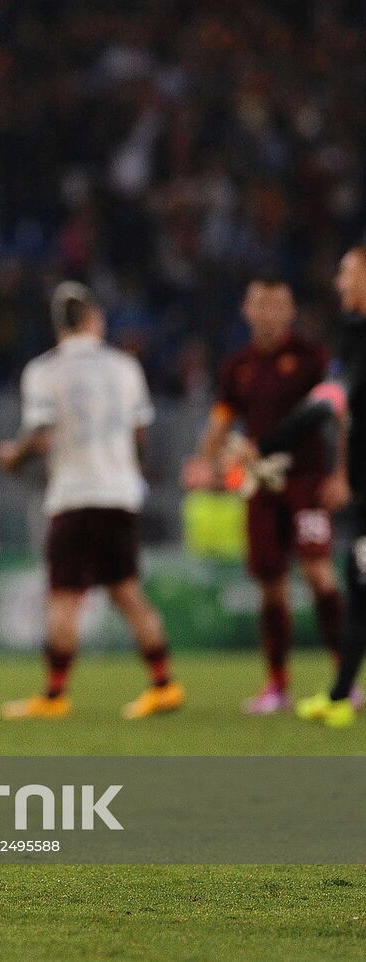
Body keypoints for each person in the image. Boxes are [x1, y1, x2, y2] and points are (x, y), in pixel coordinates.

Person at [0, 281, 182, 721]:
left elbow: (38, 433)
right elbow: (140, 434)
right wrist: (129, 469)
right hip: (120, 493)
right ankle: (164, 684)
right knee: (128, 593)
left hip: (74, 494)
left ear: (59, 325)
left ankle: (55, 695)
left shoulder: (43, 371)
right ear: (93, 319)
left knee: (63, 597)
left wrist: (13, 457)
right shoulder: (125, 368)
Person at [183, 277, 347, 714]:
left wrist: (343, 473)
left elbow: (339, 417)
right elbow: (222, 419)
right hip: (258, 485)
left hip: (306, 483)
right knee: (270, 586)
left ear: (290, 311)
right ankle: (276, 686)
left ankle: (344, 678)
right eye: (261, 303)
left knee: (318, 574)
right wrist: (204, 459)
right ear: (247, 309)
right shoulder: (238, 366)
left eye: (277, 304)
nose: (269, 312)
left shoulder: (313, 360)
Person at [299, 246, 366, 727]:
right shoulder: (353, 336)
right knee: (358, 587)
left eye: (347, 272)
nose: (339, 281)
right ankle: (341, 697)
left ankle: (341, 696)